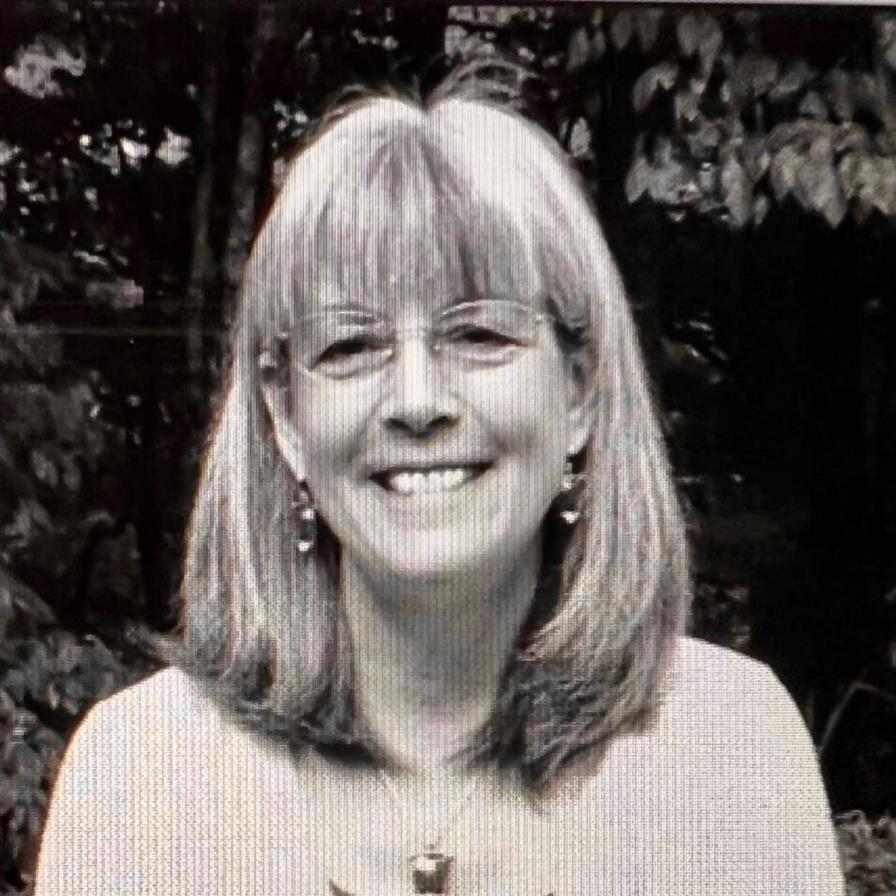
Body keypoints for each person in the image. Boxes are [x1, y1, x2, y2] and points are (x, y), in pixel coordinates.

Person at [32, 73, 845, 896]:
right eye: (352, 346)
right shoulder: (139, 782)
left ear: (579, 390)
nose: (417, 400)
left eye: (479, 333)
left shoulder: (729, 757)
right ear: (285, 415)